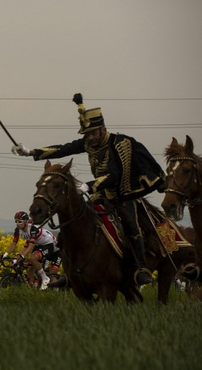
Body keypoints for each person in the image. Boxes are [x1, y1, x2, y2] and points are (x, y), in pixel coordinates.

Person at [12, 93, 165, 285]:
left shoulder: (116, 145)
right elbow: (62, 149)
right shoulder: (87, 144)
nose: (90, 138)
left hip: (121, 195)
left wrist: (88, 186)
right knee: (75, 222)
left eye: (93, 133)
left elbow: (113, 176)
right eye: (87, 134)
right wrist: (30, 152)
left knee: (131, 226)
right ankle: (71, 272)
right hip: (99, 194)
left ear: (103, 129)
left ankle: (140, 269)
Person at [1, 211, 58, 290]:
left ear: (26, 222)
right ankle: (34, 291)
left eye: (20, 221)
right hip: (39, 245)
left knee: (32, 258)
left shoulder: (33, 229)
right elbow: (15, 244)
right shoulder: (18, 230)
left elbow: (31, 246)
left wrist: (22, 256)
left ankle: (45, 278)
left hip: (49, 244)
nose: (17, 223)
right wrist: (6, 254)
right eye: (16, 221)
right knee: (30, 270)